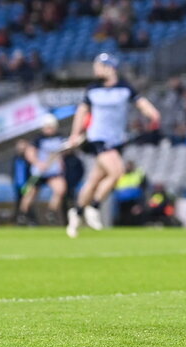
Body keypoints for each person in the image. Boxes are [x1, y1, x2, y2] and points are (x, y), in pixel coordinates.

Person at [66, 53, 160, 238]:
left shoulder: (124, 88)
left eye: (99, 66)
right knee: (116, 172)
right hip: (98, 139)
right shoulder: (92, 89)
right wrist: (74, 135)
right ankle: (94, 207)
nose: (95, 70)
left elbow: (142, 104)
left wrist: (153, 115)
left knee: (94, 180)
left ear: (110, 67)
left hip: (117, 141)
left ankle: (76, 212)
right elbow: (81, 112)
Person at [19, 114, 69, 226]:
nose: (50, 129)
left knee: (60, 189)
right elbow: (29, 153)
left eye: (51, 127)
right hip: (39, 171)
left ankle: (51, 212)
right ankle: (23, 215)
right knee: (30, 193)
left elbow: (66, 150)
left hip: (53, 171)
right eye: (47, 127)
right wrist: (38, 163)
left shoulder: (60, 138)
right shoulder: (38, 139)